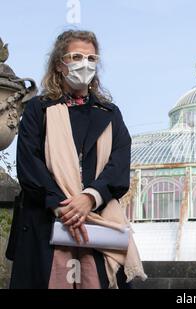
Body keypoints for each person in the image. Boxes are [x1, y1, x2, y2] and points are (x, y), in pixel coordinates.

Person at [6, 30, 137, 289]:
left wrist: (89, 198)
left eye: (91, 58)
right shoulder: (38, 109)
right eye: (76, 56)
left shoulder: (110, 113)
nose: (85, 63)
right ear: (59, 64)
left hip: (98, 221)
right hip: (47, 219)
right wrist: (62, 206)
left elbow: (119, 164)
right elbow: (29, 163)